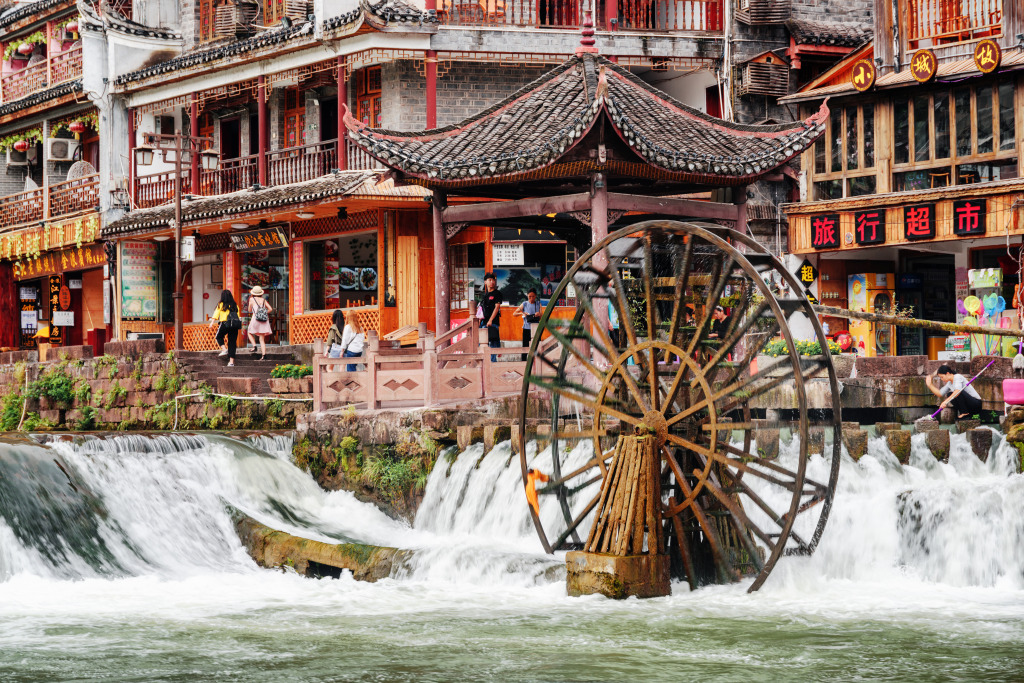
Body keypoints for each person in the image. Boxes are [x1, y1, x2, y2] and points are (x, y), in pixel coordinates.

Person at [208, 290, 240, 367]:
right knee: (232, 343)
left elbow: (216, 314)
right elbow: (238, 316)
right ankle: (231, 362)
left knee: (218, 336)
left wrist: (212, 323)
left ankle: (225, 350)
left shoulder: (221, 304)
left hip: (225, 323)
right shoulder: (235, 305)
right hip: (234, 325)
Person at [246, 285, 273, 360]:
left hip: (255, 318)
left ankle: (254, 346)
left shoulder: (251, 299)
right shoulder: (263, 300)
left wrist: (257, 312)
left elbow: (249, 310)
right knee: (262, 339)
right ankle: (264, 355)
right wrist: (264, 312)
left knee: (249, 332)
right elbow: (270, 309)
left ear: (253, 293)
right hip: (263, 319)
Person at [480, 272, 502, 362]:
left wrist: (490, 320)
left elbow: (497, 308)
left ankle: (492, 364)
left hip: (492, 323)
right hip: (483, 322)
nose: (492, 282)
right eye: (489, 280)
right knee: (481, 343)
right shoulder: (485, 295)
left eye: (493, 280)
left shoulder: (497, 294)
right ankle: (485, 363)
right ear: (485, 282)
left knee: (493, 344)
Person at [513, 288, 542, 352]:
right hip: (526, 328)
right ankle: (524, 361)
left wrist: (538, 314)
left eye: (533, 296)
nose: (531, 298)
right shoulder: (524, 304)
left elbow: (541, 318)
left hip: (536, 328)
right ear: (527, 296)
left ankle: (536, 361)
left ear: (536, 296)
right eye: (529, 296)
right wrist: (522, 313)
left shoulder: (538, 304)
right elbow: (514, 313)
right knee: (525, 347)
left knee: (536, 347)